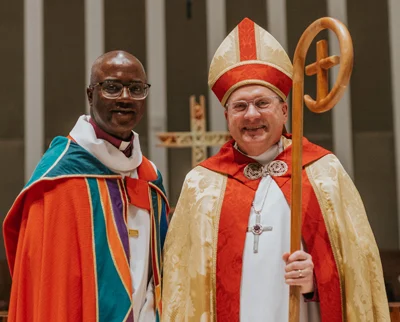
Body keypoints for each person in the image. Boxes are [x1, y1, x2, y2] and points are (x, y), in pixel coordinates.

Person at [161, 18, 389, 321]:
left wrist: (315, 282)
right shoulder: (202, 184)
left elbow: (359, 272)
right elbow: (183, 285)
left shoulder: (323, 172)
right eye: (240, 106)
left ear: (284, 110)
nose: (251, 114)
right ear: (227, 116)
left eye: (262, 103)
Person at [3, 50, 169, 322]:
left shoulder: (150, 180)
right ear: (91, 95)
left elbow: (160, 270)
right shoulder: (58, 181)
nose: (125, 98)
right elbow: (49, 292)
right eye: (112, 88)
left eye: (136, 89)